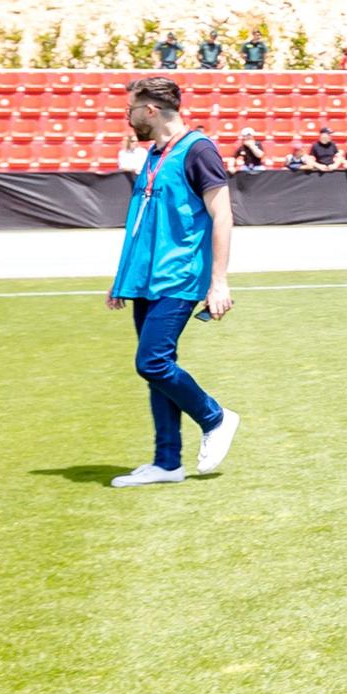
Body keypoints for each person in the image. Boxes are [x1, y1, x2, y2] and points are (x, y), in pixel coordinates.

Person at [104, 76, 241, 487]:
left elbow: (222, 215)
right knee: (157, 369)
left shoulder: (197, 150)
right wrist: (122, 279)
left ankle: (215, 418)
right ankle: (167, 462)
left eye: (130, 109)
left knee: (153, 361)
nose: (126, 117)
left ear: (149, 110)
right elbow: (144, 222)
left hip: (179, 277)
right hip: (147, 280)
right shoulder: (155, 154)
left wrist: (219, 282)